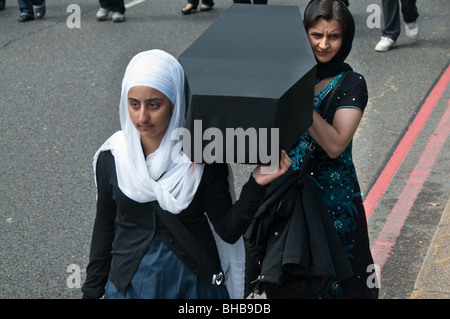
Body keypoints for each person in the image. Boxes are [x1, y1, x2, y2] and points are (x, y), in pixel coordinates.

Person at [81, 49, 291, 299]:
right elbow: (105, 227)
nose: (142, 117)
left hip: (192, 287)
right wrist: (91, 292)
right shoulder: (113, 157)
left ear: (174, 103)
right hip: (129, 287)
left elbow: (227, 229)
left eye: (154, 105)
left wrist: (257, 183)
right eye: (134, 104)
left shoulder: (201, 156)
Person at [271, 0, 377, 299]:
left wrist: (299, 97)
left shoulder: (352, 83)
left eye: (334, 36)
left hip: (334, 202)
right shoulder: (287, 75)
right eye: (316, 34)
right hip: (288, 198)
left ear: (346, 39)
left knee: (341, 283)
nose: (324, 44)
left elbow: (334, 144)